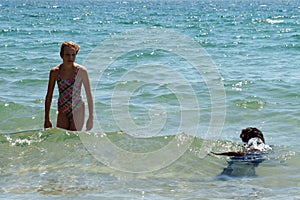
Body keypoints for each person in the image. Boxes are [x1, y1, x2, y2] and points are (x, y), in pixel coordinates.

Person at [44, 41, 93, 131]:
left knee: (74, 137)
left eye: (73, 55)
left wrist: (91, 118)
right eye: (67, 55)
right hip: (62, 109)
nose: (70, 58)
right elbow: (49, 95)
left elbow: (89, 95)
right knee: (62, 138)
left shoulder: (81, 71)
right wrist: (47, 118)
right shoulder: (55, 72)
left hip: (78, 109)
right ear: (61, 55)